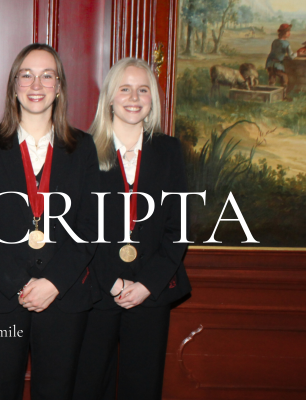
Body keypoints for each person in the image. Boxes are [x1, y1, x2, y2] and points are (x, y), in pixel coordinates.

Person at [0, 43, 99, 399]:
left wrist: (53, 282)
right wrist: (18, 283)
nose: (36, 85)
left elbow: (90, 226)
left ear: (59, 87)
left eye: (47, 76)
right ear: (14, 86)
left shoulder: (83, 148)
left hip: (63, 295)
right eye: (26, 75)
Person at [73, 58, 191, 400]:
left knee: (142, 387)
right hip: (96, 289)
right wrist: (112, 281)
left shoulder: (169, 151)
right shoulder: (82, 151)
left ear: (152, 99)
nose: (134, 98)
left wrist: (146, 285)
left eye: (143, 90)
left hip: (150, 292)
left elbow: (178, 227)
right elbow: (77, 228)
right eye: (125, 89)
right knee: (89, 386)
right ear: (110, 97)